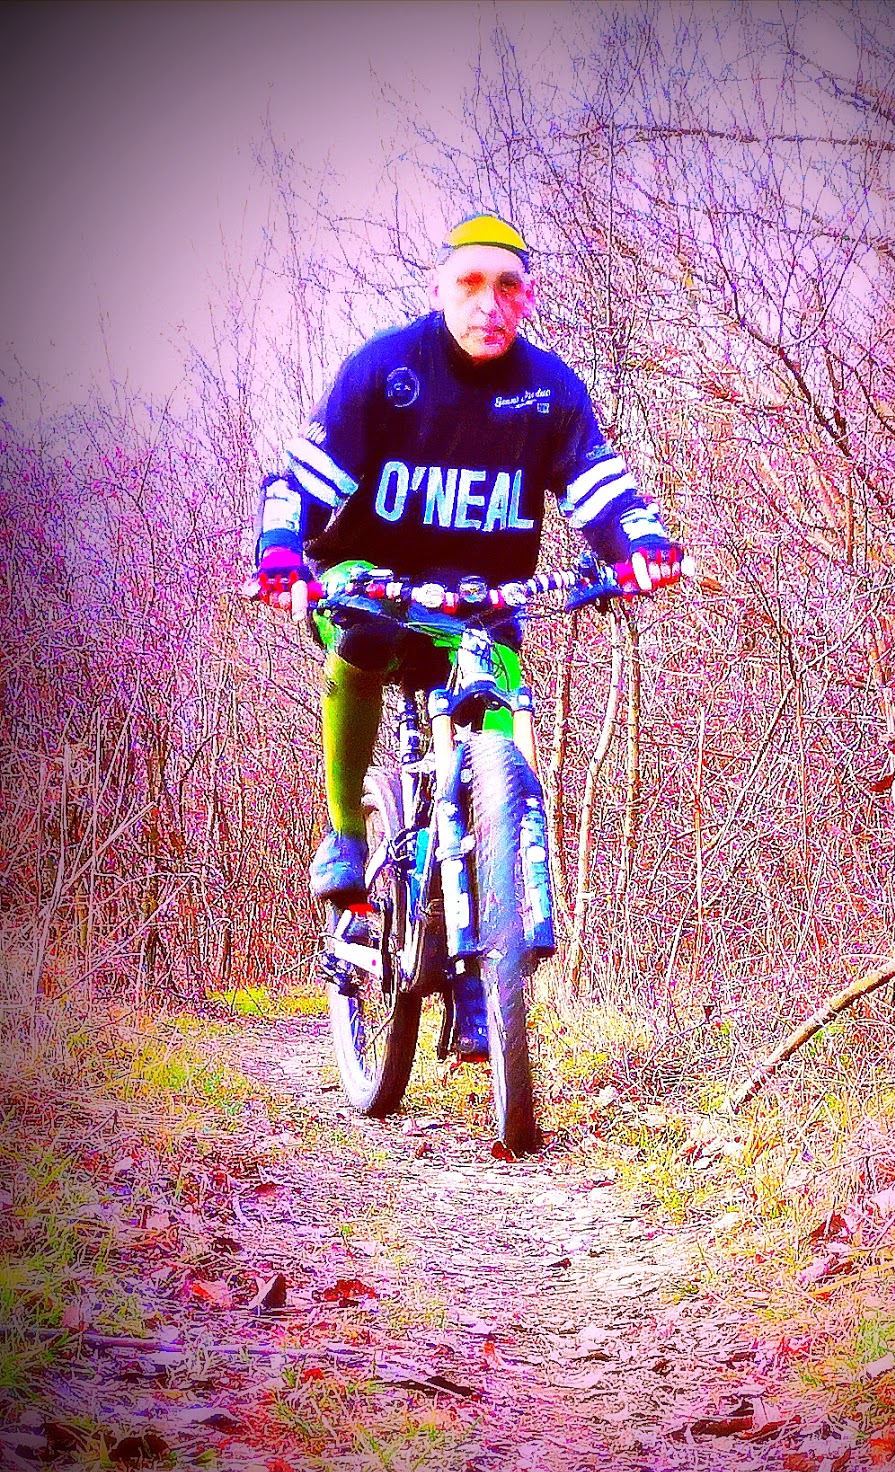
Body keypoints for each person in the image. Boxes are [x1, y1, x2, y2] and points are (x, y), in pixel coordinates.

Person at [251, 212, 683, 1055]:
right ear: (440, 289)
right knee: (363, 640)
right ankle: (346, 834)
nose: (489, 303)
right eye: (470, 284)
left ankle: (485, 972)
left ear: (528, 297)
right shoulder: (385, 369)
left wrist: (641, 548)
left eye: (507, 287)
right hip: (372, 576)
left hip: (482, 597)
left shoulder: (548, 389)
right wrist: (279, 553)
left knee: (497, 734)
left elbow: (600, 487)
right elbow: (301, 482)